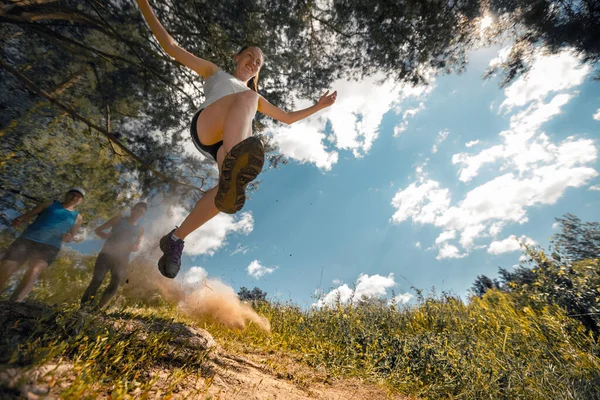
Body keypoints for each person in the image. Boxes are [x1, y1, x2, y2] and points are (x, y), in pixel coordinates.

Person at [136, 0, 338, 279]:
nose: (254, 63)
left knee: (223, 193)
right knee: (249, 98)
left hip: (223, 144)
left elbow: (288, 118)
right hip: (208, 126)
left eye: (258, 63)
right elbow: (170, 46)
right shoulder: (215, 72)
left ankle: (175, 239)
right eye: (251, 56)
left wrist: (318, 106)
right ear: (237, 57)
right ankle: (235, 160)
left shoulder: (253, 96)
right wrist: (144, 5)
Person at [0, 188, 84, 301]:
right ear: (66, 194)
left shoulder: (78, 217)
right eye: (72, 194)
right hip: (27, 240)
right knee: (6, 267)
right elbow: (31, 214)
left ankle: (14, 304)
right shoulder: (50, 203)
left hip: (50, 247)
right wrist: (20, 218)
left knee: (34, 270)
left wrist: (69, 237)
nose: (74, 197)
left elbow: (71, 235)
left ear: (81, 201)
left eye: (78, 196)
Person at [81, 202, 147, 309]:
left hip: (122, 259)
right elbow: (98, 230)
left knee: (115, 284)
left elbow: (137, 245)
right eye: (137, 210)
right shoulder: (119, 220)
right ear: (132, 209)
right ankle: (84, 306)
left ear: (142, 215)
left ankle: (98, 308)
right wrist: (104, 234)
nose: (138, 213)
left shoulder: (140, 230)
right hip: (106, 254)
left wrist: (135, 247)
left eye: (141, 212)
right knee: (97, 279)